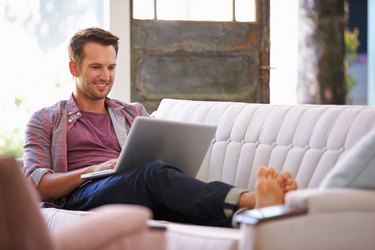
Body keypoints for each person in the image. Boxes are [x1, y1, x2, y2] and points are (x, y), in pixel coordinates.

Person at [23, 27, 297, 228]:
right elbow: (39, 184)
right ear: (74, 68)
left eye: (111, 67)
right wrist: (94, 170)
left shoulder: (132, 113)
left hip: (135, 188)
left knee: (178, 205)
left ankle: (258, 223)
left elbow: (160, 163)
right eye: (96, 67)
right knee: (151, 175)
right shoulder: (45, 120)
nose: (105, 76)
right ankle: (250, 200)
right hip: (80, 198)